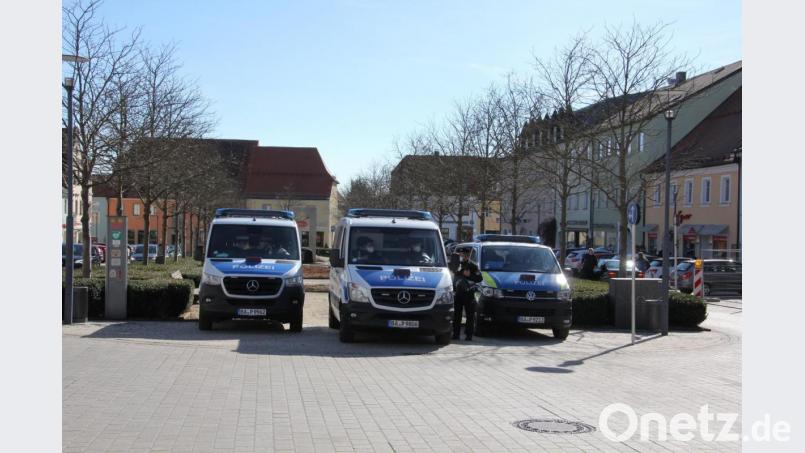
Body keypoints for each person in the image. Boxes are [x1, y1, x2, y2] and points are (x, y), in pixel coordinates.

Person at [453, 249, 482, 341]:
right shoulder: (457, 264)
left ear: (468, 255)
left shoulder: (473, 266)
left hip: (469, 293)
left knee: (470, 315)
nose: (463, 256)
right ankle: (456, 334)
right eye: (461, 254)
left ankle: (469, 335)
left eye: (465, 255)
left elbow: (479, 278)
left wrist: (469, 276)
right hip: (458, 293)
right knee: (457, 315)